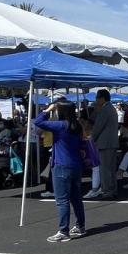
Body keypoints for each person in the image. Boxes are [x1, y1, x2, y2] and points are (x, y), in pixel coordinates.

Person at [34, 101, 86, 242]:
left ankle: (64, 231)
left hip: (61, 165)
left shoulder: (60, 125)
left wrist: (47, 110)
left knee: (62, 200)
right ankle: (80, 226)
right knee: (76, 198)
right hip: (76, 165)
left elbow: (38, 122)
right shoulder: (77, 125)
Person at [89, 89, 119, 200]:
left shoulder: (104, 109)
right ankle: (112, 190)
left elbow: (98, 127)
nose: (96, 100)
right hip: (112, 143)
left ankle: (107, 191)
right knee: (111, 168)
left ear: (102, 98)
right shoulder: (111, 108)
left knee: (105, 169)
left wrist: (92, 138)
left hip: (105, 143)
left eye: (97, 98)